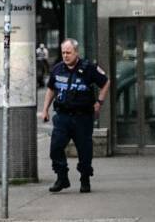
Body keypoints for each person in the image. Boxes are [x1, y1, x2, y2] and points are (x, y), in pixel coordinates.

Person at [41, 38, 110, 193]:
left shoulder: (88, 68)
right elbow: (51, 89)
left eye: (68, 53)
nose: (65, 56)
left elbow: (105, 82)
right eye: (63, 52)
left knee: (84, 151)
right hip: (62, 116)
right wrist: (45, 109)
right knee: (55, 148)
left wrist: (99, 101)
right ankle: (62, 178)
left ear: (76, 52)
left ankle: (85, 179)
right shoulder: (58, 69)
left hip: (82, 117)